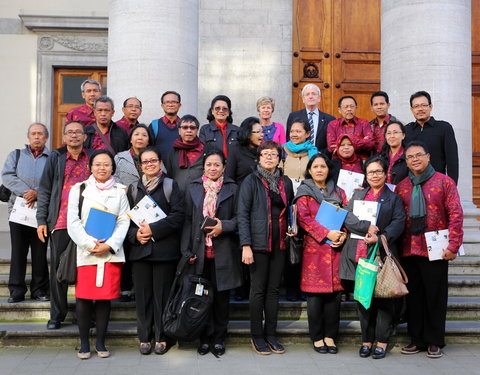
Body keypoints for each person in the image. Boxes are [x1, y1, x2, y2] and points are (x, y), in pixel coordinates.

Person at [396, 141, 463, 358]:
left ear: (428, 156)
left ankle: (434, 341)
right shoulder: (403, 185)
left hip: (436, 250)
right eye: (410, 157)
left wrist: (454, 245)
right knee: (414, 298)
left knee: (435, 296)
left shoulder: (444, 182)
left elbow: (455, 214)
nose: (415, 159)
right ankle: (416, 339)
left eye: (418, 155)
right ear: (405, 161)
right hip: (409, 249)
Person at [341, 156, 405, 359]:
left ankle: (382, 341)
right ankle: (366, 340)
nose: (374, 175)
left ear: (386, 173)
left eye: (378, 171)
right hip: (359, 254)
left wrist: (380, 237)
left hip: (382, 254)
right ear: (365, 175)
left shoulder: (393, 197)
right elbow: (347, 217)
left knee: (384, 299)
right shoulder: (358, 194)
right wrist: (365, 227)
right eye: (370, 172)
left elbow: (398, 222)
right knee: (363, 299)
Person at [67, 150, 130, 359]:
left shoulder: (121, 191)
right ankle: (84, 343)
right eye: (97, 164)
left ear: (113, 167)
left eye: (106, 164)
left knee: (104, 299)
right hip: (86, 252)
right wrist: (89, 243)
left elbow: (123, 221)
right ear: (90, 167)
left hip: (111, 254)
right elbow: (72, 221)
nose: (102, 168)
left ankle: (101, 343)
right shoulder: (80, 189)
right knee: (83, 298)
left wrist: (110, 245)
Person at [182, 151, 241, 357]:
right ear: (204, 167)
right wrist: (186, 250)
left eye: (217, 165)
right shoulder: (194, 187)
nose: (213, 168)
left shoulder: (232, 188)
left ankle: (218, 338)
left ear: (224, 167)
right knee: (200, 298)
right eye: (209, 165)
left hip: (223, 252)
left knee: (221, 299)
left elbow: (239, 218)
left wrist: (222, 226)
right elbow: (188, 221)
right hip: (199, 251)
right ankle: (204, 337)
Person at [126, 147, 184, 356]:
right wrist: (135, 236)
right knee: (143, 297)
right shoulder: (133, 188)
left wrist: (154, 230)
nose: (149, 164)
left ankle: (161, 337)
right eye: (145, 162)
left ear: (160, 162)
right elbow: (125, 220)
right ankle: (144, 337)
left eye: (153, 160)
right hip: (140, 251)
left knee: (162, 296)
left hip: (164, 252)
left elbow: (178, 216)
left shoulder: (170, 185)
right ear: (139, 165)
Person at [237, 140, 294, 355]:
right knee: (258, 291)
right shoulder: (251, 181)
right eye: (265, 154)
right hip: (258, 244)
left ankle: (271, 334)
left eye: (273, 154)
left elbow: (291, 211)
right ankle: (257, 336)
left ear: (280, 158)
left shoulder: (285, 182)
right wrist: (246, 245)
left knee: (273, 291)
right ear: (259, 158)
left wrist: (292, 228)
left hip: (280, 244)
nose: (269, 157)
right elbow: (242, 215)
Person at [36, 121, 93, 330]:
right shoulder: (56, 158)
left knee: (86, 271)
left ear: (85, 137)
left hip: (88, 224)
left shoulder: (93, 158)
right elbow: (45, 190)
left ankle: (84, 315)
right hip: (61, 222)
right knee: (58, 271)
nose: (74, 136)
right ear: (64, 137)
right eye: (70, 132)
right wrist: (41, 220)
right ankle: (56, 315)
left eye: (78, 132)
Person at [294, 153, 348, 354]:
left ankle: (330, 336)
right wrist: (327, 233)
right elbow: (304, 219)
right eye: (315, 166)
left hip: (336, 249)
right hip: (315, 249)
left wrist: (343, 235)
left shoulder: (340, 192)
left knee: (334, 297)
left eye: (323, 166)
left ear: (328, 169)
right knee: (315, 297)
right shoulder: (304, 192)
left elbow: (348, 216)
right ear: (309, 170)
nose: (319, 170)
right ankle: (317, 337)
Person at [1, 123, 50, 303]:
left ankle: (39, 290)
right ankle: (16, 290)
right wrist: (26, 192)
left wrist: (37, 192)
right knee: (18, 252)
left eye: (40, 134)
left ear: (46, 137)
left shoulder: (52, 157)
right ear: (28, 137)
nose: (36, 137)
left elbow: (55, 180)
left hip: (42, 212)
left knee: (40, 252)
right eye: (33, 134)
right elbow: (7, 176)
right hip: (18, 212)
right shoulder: (16, 155)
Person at [114, 123, 153, 302]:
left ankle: (140, 287)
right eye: (136, 134)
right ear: (130, 138)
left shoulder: (154, 157)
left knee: (142, 246)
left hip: (146, 210)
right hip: (124, 206)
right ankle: (124, 288)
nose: (140, 137)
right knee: (125, 245)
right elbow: (112, 177)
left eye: (144, 135)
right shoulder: (120, 157)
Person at [404, 90, 459, 183]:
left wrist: (451, 186)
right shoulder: (406, 130)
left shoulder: (444, 128)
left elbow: (452, 162)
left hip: (437, 185)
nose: (420, 109)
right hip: (411, 184)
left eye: (424, 105)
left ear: (430, 106)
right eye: (416, 106)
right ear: (412, 110)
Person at [286, 84, 335, 155]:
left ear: (319, 98)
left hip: (322, 158)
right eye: (307, 94)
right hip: (299, 157)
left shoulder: (329, 119)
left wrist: (319, 154)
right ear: (303, 99)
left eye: (314, 94)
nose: (311, 96)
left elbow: (330, 143)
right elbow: (289, 139)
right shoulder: (294, 116)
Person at [164, 114, 205, 193]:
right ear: (179, 131)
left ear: (197, 130)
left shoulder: (205, 150)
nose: (189, 130)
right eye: (185, 127)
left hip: (200, 196)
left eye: (192, 128)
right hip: (178, 196)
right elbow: (170, 174)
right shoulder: (173, 151)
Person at [327, 96, 375, 160]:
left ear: (356, 108)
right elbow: (331, 147)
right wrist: (361, 141)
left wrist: (342, 145)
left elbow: (371, 143)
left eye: (352, 106)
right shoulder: (333, 125)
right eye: (346, 107)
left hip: (360, 162)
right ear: (339, 110)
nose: (349, 109)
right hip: (339, 162)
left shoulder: (364, 123)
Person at [282, 119, 318, 193]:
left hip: (308, 194)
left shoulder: (314, 153)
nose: (294, 135)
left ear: (307, 134)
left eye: (298, 131)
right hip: (286, 193)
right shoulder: (282, 151)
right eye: (292, 131)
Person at [225, 116, 264, 185]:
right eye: (258, 132)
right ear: (248, 134)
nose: (262, 135)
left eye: (262, 132)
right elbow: (229, 177)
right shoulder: (235, 150)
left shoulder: (263, 150)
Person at [149, 91, 182, 160]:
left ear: (179, 105)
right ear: (162, 105)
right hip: (159, 169)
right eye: (167, 102)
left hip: (181, 169)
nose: (170, 105)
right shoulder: (154, 125)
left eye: (174, 102)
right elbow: (148, 149)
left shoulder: (185, 126)